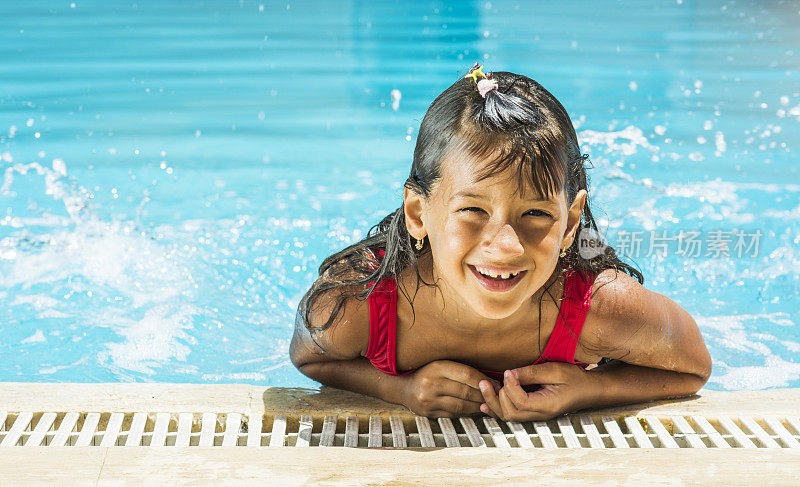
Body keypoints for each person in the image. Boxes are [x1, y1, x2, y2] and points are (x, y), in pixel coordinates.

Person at [290, 64, 712, 421]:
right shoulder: (358, 304)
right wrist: (397, 389)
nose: (506, 246)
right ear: (419, 214)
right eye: (472, 211)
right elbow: (309, 356)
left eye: (536, 214)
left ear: (570, 223)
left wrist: (591, 389)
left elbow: (693, 368)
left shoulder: (597, 309)